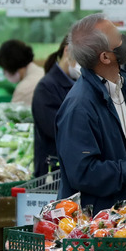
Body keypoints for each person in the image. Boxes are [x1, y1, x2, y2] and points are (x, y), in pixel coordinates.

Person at [55, 14, 126, 212]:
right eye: (118, 37)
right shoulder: (79, 107)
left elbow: (117, 148)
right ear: (105, 57)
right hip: (98, 224)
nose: (125, 40)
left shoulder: (120, 89)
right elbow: (83, 173)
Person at [31, 36, 82, 178]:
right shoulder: (46, 87)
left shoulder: (79, 85)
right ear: (67, 50)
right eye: (82, 57)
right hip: (52, 171)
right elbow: (55, 129)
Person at [0, 39, 44, 106]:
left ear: (11, 66)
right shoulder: (43, 72)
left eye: (5, 69)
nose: (4, 73)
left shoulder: (24, 89)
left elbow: (13, 114)